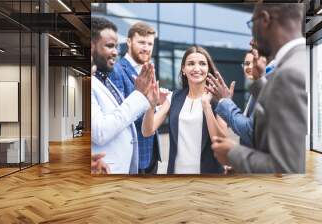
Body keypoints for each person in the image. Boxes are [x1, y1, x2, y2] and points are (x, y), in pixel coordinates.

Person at [210, 2, 307, 173]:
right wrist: (259, 82)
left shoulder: (289, 72)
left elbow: (287, 167)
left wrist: (233, 154)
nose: (250, 39)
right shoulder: (294, 62)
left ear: (265, 19)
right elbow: (272, 118)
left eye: (251, 25)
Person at [141, 46, 228, 174]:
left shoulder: (218, 100)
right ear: (183, 69)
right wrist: (151, 105)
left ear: (208, 68)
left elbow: (221, 142)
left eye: (202, 64)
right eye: (191, 64)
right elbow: (147, 131)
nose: (196, 68)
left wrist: (206, 106)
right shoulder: (174, 98)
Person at [90, 17, 157, 174]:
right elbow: (101, 131)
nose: (115, 52)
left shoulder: (103, 78)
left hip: (129, 163)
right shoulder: (112, 72)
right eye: (109, 46)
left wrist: (153, 103)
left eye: (150, 44)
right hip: (110, 169)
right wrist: (141, 96)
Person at [109, 22, 164, 174]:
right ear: (128, 42)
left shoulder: (147, 69)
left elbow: (149, 105)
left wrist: (158, 103)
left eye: (150, 43)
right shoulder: (116, 71)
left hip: (151, 153)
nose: (146, 47)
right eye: (141, 42)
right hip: (133, 155)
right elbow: (119, 116)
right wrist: (162, 108)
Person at [208, 50, 276, 147]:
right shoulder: (254, 92)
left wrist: (225, 102)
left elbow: (249, 131)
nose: (249, 67)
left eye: (254, 62)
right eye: (246, 63)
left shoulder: (266, 89)